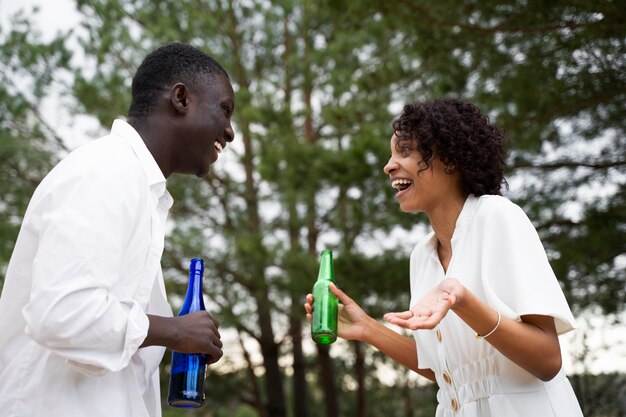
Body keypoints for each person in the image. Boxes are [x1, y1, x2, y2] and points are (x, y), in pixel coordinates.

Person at [305, 98, 583, 416]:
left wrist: (463, 302)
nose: (389, 165)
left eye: (405, 150)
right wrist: (368, 328)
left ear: (450, 158)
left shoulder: (497, 216)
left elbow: (547, 361)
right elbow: (447, 375)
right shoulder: (421, 257)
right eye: (391, 154)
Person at [0, 42, 235, 417]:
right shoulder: (104, 171)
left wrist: (170, 336)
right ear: (180, 98)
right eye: (224, 109)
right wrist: (173, 331)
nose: (230, 131)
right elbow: (62, 312)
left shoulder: (139, 189)